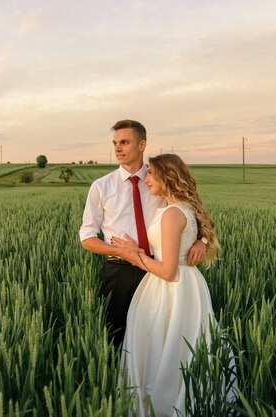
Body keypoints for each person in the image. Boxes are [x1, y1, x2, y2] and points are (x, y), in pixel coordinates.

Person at [79, 120, 207, 347]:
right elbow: (87, 238)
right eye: (115, 143)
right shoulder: (101, 187)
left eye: (125, 142)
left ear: (142, 145)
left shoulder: (158, 181)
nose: (118, 148)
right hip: (119, 273)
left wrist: (202, 241)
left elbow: (194, 213)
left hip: (158, 272)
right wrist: (123, 252)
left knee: (156, 340)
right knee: (116, 338)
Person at [112, 153, 220, 417]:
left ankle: (163, 407)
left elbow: (168, 271)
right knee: (179, 347)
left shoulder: (172, 214)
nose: (146, 179)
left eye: (151, 173)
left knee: (166, 348)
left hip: (169, 288)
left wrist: (134, 254)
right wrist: (202, 242)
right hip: (186, 286)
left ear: (167, 176)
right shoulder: (179, 207)